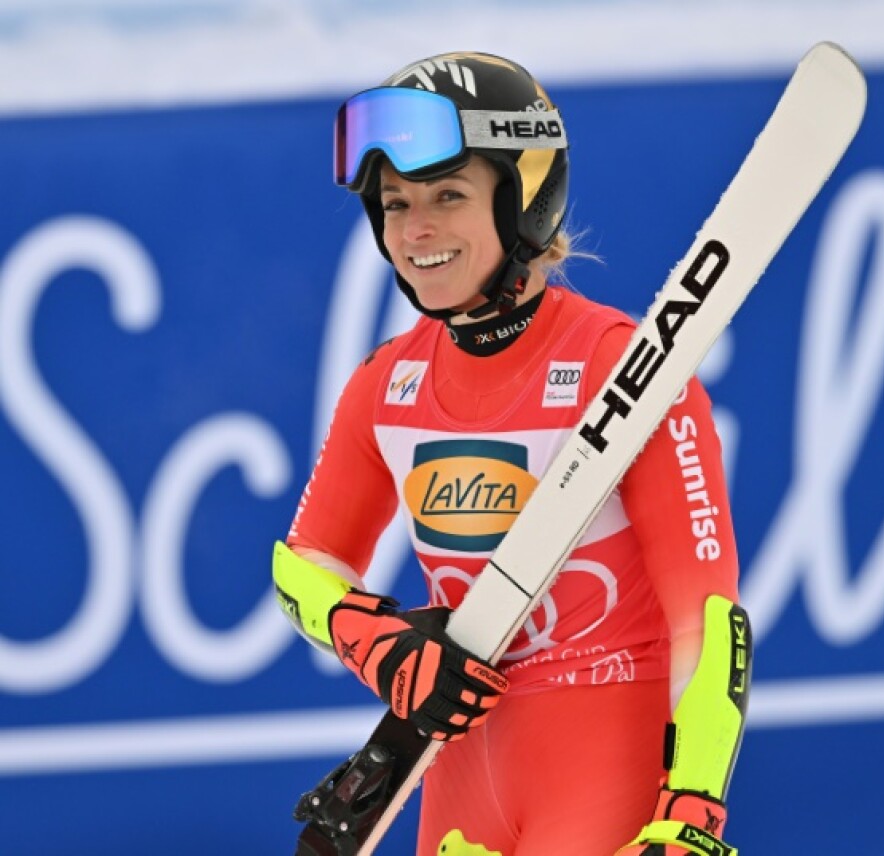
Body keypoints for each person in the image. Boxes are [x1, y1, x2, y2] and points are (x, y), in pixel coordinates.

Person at [273, 51, 752, 856]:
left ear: (525, 200)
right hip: (460, 776)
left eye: (449, 196)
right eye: (395, 204)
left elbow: (708, 621)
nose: (415, 229)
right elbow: (302, 565)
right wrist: (380, 641)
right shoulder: (385, 386)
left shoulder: (624, 368)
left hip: (605, 767)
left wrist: (692, 811)